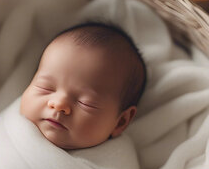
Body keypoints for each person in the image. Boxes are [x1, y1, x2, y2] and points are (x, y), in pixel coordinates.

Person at [20, 21, 146, 150]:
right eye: (45, 87)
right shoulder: (12, 123)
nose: (59, 104)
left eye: (86, 103)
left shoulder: (114, 157)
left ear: (120, 122)